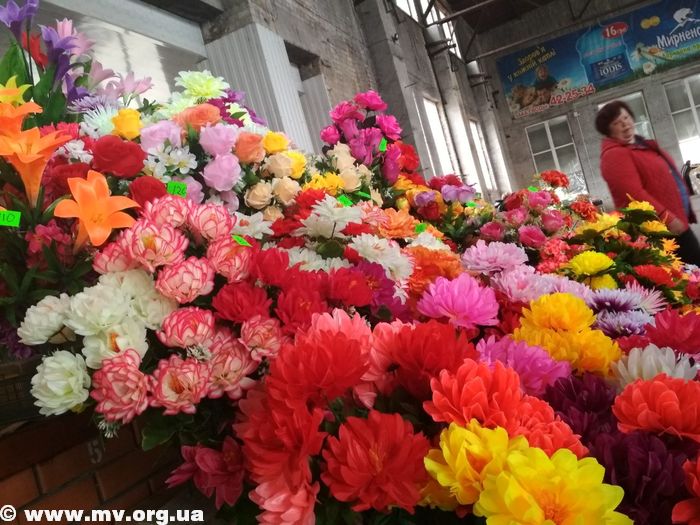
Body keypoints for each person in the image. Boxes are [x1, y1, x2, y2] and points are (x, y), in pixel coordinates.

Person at [596, 100, 700, 265]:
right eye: (617, 123)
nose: (625, 124)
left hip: (675, 223)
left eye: (626, 117)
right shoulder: (614, 155)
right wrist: (668, 219)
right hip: (660, 231)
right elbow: (633, 194)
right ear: (608, 130)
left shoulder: (640, 145)